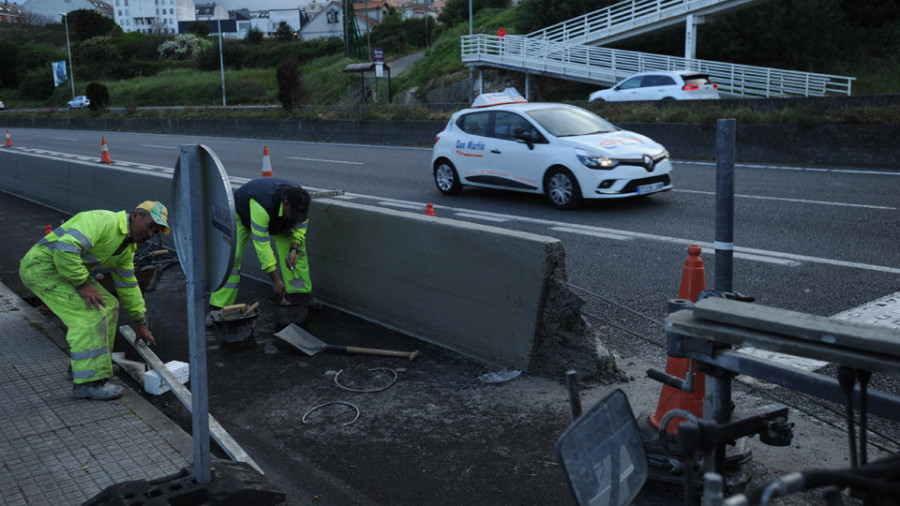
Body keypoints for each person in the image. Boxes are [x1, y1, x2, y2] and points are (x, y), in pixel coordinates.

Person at [19, 201, 170, 401]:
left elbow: (127, 285)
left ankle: (95, 366)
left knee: (107, 304)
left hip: (66, 272)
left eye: (156, 231)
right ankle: (87, 384)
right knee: (90, 312)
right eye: (150, 226)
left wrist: (140, 322)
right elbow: (65, 249)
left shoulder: (126, 248)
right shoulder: (103, 221)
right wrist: (83, 285)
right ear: (135, 216)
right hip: (42, 268)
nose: (150, 234)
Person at [208, 177, 312, 320]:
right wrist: (275, 280)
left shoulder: (300, 200)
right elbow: (262, 244)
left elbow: (300, 228)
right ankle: (217, 308)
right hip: (242, 216)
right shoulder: (262, 205)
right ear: (285, 204)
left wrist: (293, 250)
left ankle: (301, 298)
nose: (296, 217)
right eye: (293, 214)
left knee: (298, 255)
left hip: (279, 222)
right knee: (231, 257)